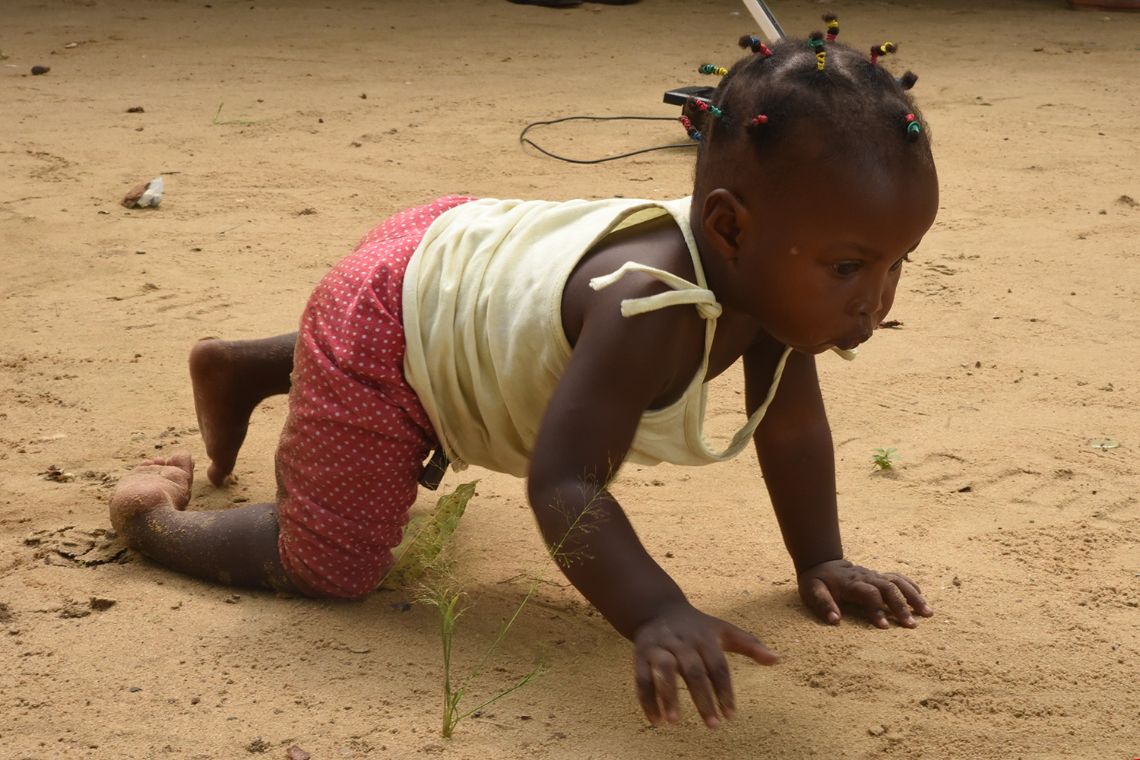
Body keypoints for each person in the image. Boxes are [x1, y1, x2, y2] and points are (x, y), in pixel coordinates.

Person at [109, 22, 938, 730]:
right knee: (336, 563)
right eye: (849, 267)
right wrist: (655, 608)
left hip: (454, 271)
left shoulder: (764, 279)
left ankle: (248, 367)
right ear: (727, 227)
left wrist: (821, 558)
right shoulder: (649, 305)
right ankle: (151, 518)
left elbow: (791, 431)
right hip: (385, 328)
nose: (877, 299)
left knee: (445, 342)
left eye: (898, 263)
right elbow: (565, 486)